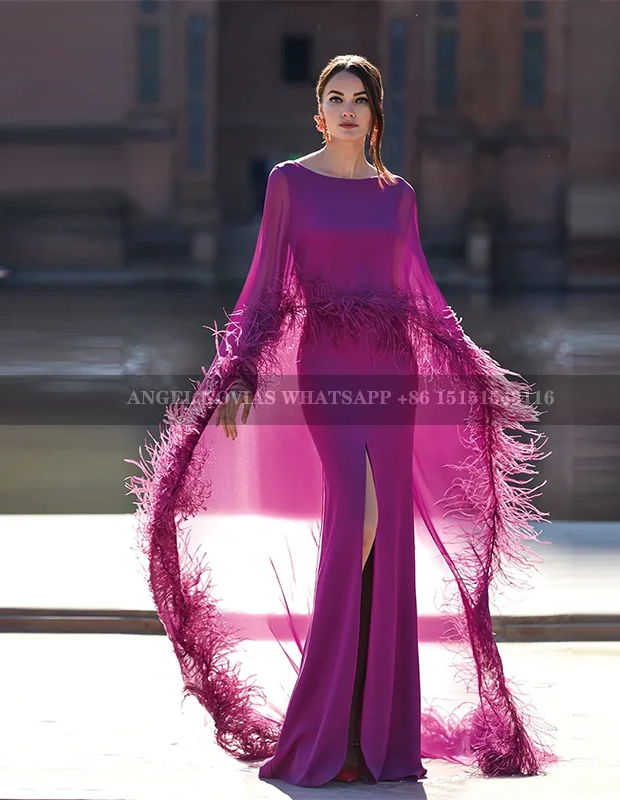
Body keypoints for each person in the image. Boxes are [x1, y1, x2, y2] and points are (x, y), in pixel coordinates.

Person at [127, 54, 555, 787]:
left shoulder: (399, 196)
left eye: (360, 99)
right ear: (318, 113)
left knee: (384, 539)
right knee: (357, 521)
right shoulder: (288, 183)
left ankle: (371, 736)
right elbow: (263, 285)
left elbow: (420, 288)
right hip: (328, 367)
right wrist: (241, 371)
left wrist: (472, 363)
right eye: (335, 97)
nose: (348, 109)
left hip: (395, 373)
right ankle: (322, 728)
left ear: (375, 115)